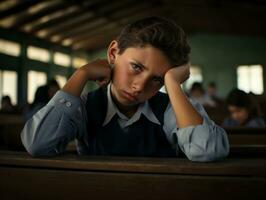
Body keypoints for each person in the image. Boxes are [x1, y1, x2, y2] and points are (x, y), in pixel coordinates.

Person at [21, 17, 229, 162]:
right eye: (136, 67)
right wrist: (81, 74)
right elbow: (38, 145)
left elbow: (207, 151)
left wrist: (173, 84)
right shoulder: (84, 106)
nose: (139, 86)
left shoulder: (172, 110)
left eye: (157, 79)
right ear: (113, 53)